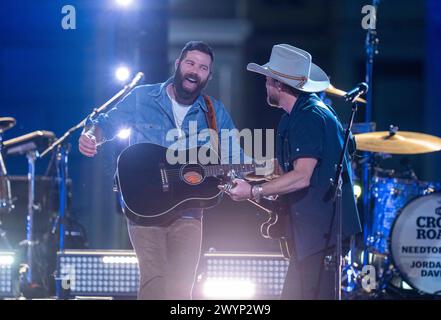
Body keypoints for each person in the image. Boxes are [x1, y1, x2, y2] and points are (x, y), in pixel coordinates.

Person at [78, 41, 245, 299]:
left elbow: (235, 157)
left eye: (202, 68)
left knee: (181, 290)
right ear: (178, 65)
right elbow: (106, 123)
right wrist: (91, 135)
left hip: (189, 212)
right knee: (154, 283)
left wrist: (262, 173)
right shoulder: (142, 97)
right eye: (190, 63)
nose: (194, 71)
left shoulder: (214, 112)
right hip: (144, 209)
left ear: (209, 76)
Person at [225, 44, 361, 299]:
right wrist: (245, 169)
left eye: (267, 80)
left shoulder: (309, 117)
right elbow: (285, 166)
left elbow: (301, 175)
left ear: (279, 84)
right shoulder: (297, 114)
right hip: (311, 234)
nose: (264, 84)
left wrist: (253, 191)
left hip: (320, 233)